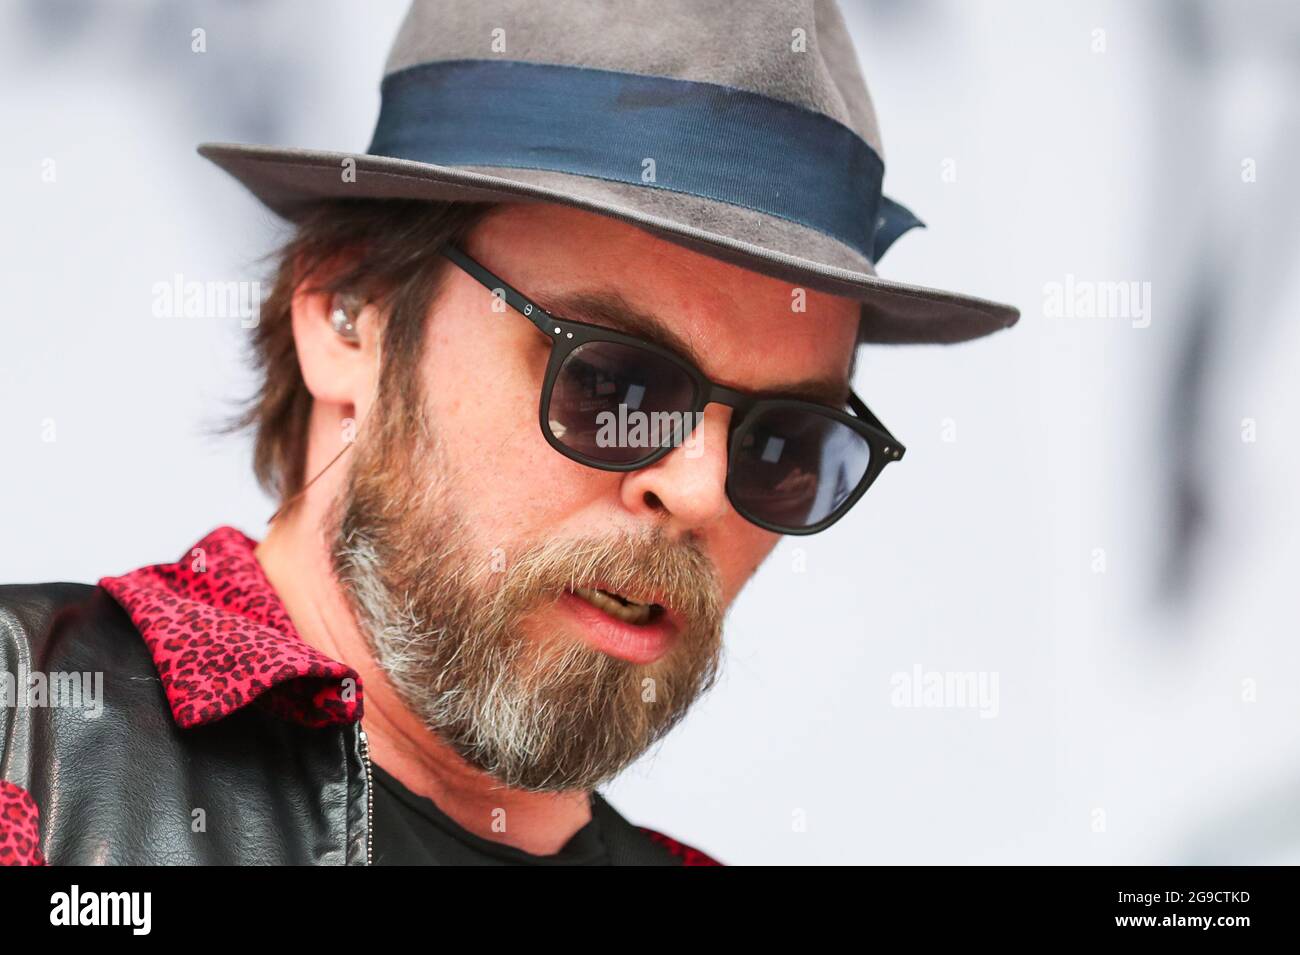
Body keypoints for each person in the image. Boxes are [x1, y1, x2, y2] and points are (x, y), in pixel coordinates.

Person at [0, 0, 1016, 866]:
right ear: (348, 311)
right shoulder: (25, 736)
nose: (700, 489)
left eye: (781, 445)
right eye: (614, 381)